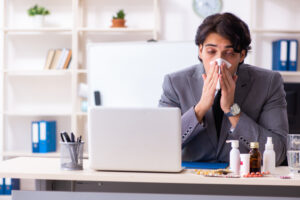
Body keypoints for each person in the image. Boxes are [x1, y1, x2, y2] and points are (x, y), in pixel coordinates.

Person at [159, 12, 288, 165]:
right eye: (211, 51)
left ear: (242, 55)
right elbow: (160, 145)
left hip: (243, 180)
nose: (219, 61)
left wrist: (232, 109)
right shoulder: (175, 83)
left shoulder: (268, 83)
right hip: (191, 178)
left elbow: (278, 154)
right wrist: (200, 109)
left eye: (229, 53)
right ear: (200, 51)